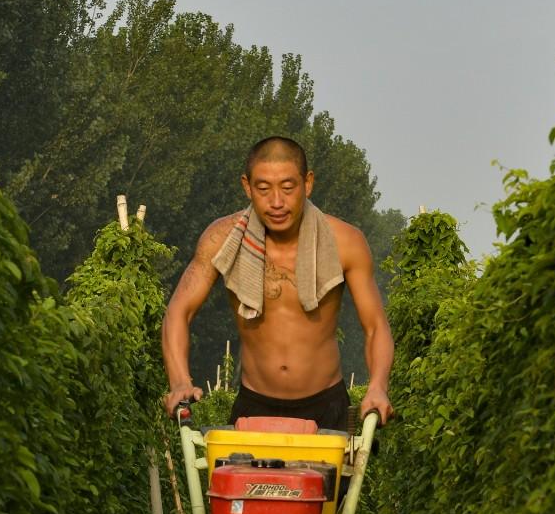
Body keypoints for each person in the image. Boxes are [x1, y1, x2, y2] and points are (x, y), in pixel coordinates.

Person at [160, 136, 394, 432]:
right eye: (263, 189)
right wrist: (180, 381)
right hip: (254, 405)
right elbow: (179, 312)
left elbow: (375, 325)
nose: (277, 202)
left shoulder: (346, 242)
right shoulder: (221, 239)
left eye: (287, 187)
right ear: (247, 186)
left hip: (326, 406)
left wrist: (377, 386)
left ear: (307, 183)